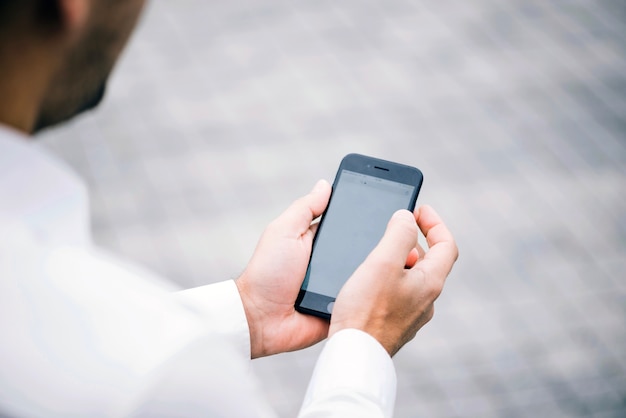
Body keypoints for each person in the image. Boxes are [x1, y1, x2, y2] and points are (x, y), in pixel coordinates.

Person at [0, 1, 459, 416]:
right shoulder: (165, 381)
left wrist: (249, 310)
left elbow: (85, 348)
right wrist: (365, 343)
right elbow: (133, 368)